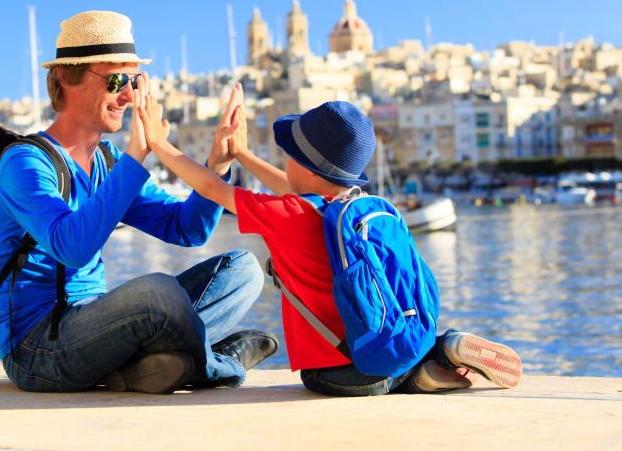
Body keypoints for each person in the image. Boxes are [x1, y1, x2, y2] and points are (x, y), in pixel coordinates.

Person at [138, 78, 523, 396]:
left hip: (338, 367)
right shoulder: (345, 207)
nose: (285, 162)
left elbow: (209, 187)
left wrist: (158, 143)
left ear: (304, 165)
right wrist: (239, 153)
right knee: (386, 352)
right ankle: (440, 351)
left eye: (290, 154)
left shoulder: (286, 215)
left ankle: (411, 377)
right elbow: (290, 187)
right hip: (383, 342)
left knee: (316, 379)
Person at [0, 10, 277, 394]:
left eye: (135, 81)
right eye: (117, 80)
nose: (128, 96)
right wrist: (137, 156)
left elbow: (186, 228)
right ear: (65, 78)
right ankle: (219, 363)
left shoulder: (106, 163)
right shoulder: (25, 163)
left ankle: (143, 367)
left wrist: (217, 165)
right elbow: (71, 248)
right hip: (38, 349)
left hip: (96, 328)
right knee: (158, 293)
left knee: (244, 269)